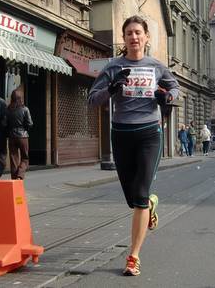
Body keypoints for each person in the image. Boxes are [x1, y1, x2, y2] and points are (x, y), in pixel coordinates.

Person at [88, 15, 179, 276]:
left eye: (138, 32)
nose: (134, 37)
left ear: (146, 37)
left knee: (139, 194)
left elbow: (175, 89)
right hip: (122, 134)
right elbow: (93, 99)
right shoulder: (113, 66)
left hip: (150, 133)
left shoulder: (156, 66)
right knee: (133, 198)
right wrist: (111, 89)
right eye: (129, 33)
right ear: (124, 38)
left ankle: (133, 256)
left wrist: (167, 97)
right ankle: (149, 205)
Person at [6, 89, 33, 180]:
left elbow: (5, 123)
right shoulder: (25, 109)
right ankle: (20, 175)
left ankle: (14, 179)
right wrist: (25, 129)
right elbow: (30, 123)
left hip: (12, 137)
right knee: (25, 158)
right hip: (23, 136)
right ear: (20, 98)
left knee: (13, 159)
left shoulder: (8, 109)